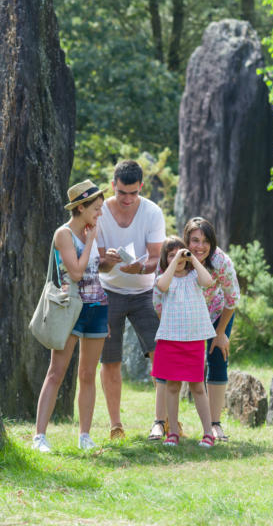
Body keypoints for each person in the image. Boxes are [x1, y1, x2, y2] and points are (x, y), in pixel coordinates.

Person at [32, 179, 109, 453]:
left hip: (97, 307)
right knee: (57, 372)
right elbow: (75, 272)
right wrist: (90, 242)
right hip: (70, 308)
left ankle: (84, 436)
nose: (99, 213)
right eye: (96, 208)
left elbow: (91, 269)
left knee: (88, 374)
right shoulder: (63, 234)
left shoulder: (89, 232)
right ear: (81, 207)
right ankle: (39, 436)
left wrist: (107, 257)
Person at [96, 160, 166, 439]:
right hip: (108, 291)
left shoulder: (152, 212)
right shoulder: (99, 212)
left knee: (160, 353)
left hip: (144, 292)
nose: (127, 199)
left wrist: (142, 267)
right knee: (109, 360)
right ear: (113, 185)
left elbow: (156, 258)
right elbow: (97, 263)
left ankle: (162, 420)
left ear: (141, 188)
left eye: (133, 194)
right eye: (122, 192)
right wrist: (107, 261)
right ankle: (116, 425)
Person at [150, 236, 216, 448]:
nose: (178, 257)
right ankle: (173, 432)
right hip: (170, 339)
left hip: (193, 340)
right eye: (171, 255)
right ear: (165, 259)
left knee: (198, 386)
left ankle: (208, 432)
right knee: (171, 386)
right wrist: (173, 261)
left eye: (181, 253)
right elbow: (162, 286)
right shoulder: (163, 278)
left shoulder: (195, 276)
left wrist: (192, 259)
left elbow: (209, 282)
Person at [183, 216, 240, 442]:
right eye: (195, 240)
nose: (200, 246)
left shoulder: (220, 262)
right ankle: (166, 421)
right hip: (186, 316)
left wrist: (221, 333)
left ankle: (215, 424)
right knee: (178, 366)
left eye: (205, 241)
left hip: (216, 314)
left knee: (218, 360)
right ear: (186, 240)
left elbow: (232, 298)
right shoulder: (178, 258)